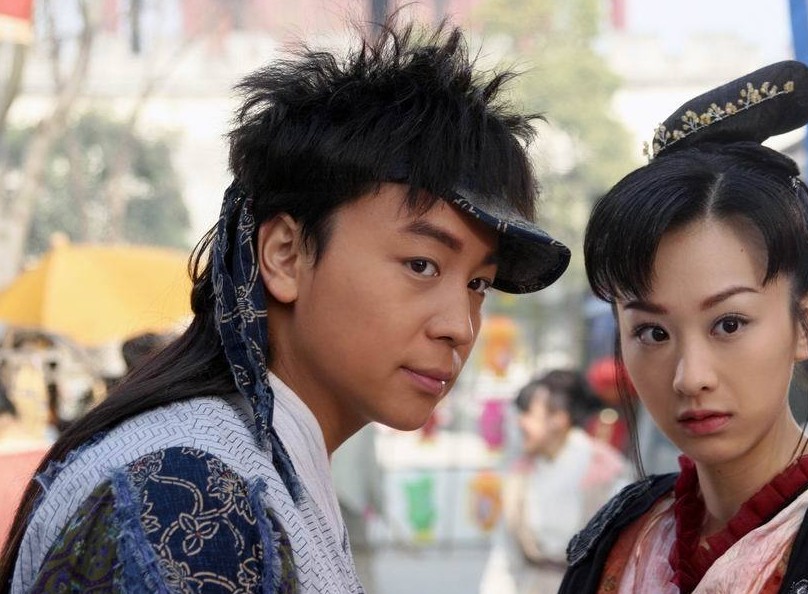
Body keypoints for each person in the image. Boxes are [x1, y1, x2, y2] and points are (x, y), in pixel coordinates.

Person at [0, 20, 570, 593]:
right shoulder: (190, 498)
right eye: (422, 265)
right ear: (285, 255)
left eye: (478, 284)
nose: (460, 327)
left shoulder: (250, 466)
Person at [559, 61, 808, 593]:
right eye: (653, 333)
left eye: (729, 323)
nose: (690, 377)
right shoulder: (615, 540)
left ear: (807, 323)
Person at [481, 370, 630, 594]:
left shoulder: (606, 470)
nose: (520, 422)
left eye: (528, 413)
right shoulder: (520, 473)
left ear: (559, 418)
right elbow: (505, 555)